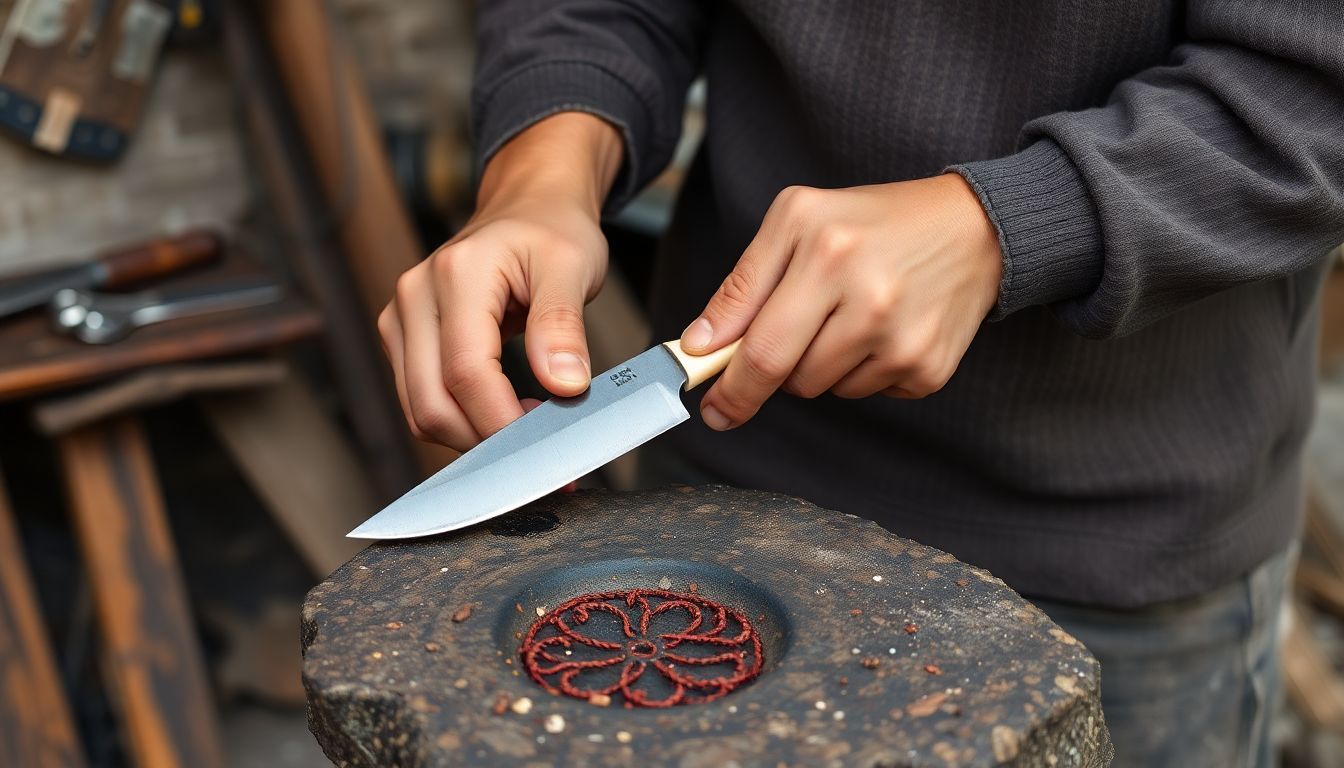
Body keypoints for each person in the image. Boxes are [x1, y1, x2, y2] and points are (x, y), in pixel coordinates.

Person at [378, 2, 1344, 765]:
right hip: (716, 506)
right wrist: (541, 176)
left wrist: (1007, 223)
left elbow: (1314, 82)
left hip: (1106, 551)